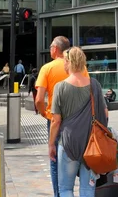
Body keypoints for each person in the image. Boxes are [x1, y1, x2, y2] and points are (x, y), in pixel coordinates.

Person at [49, 47, 108, 197]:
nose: (63, 64)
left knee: (65, 189)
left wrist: (51, 144)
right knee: (87, 189)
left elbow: (56, 121)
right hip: (91, 144)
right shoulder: (95, 85)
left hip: (69, 143)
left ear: (69, 62)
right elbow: (105, 114)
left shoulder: (60, 87)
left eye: (64, 61)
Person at [35, 36, 72, 197]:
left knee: (55, 159)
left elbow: (38, 99)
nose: (50, 49)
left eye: (51, 46)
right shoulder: (78, 67)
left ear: (55, 49)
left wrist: (44, 113)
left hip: (55, 120)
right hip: (77, 120)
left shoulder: (47, 68)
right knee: (76, 159)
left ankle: (59, 194)